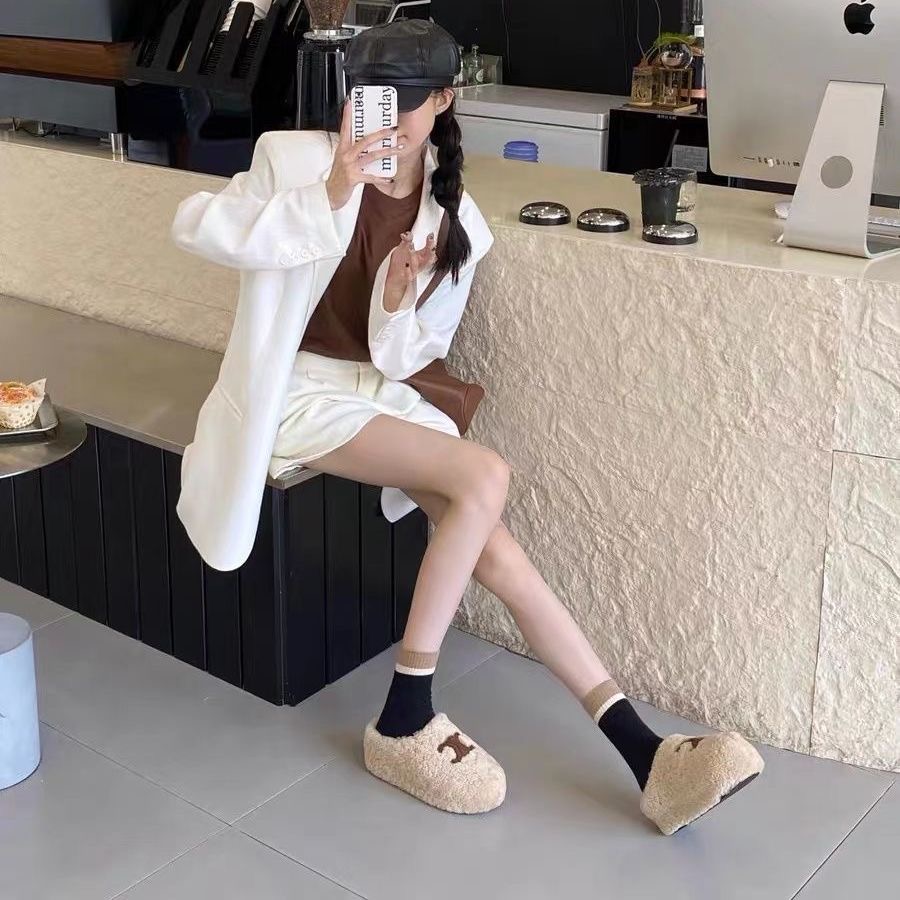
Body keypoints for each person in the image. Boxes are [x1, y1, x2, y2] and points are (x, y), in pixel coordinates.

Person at [173, 18, 764, 836]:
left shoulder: (458, 222)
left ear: (444, 100)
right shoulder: (295, 158)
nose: (387, 118)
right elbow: (197, 226)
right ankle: (405, 710)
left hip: (380, 396)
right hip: (296, 395)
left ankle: (645, 754)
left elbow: (413, 352)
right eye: (372, 97)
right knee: (485, 476)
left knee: (498, 550)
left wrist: (395, 299)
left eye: (407, 102)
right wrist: (331, 192)